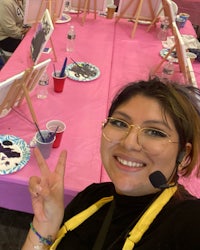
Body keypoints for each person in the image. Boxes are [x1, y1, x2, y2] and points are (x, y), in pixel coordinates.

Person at [22, 78, 200, 250]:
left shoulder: (188, 221)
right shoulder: (91, 198)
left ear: (185, 156)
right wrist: (45, 224)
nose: (129, 143)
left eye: (155, 132)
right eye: (119, 123)